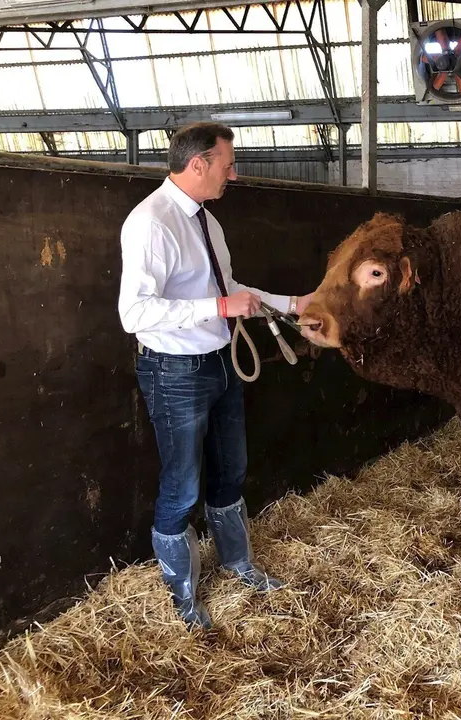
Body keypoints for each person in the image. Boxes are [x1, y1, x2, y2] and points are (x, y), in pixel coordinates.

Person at [117, 122, 315, 629]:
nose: (233, 173)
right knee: (182, 486)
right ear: (198, 164)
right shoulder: (151, 222)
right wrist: (220, 305)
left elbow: (229, 286)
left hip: (219, 361)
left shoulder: (208, 221)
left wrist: (295, 304)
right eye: (227, 164)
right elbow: (134, 313)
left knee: (230, 470)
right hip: (175, 369)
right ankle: (184, 598)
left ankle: (238, 564)